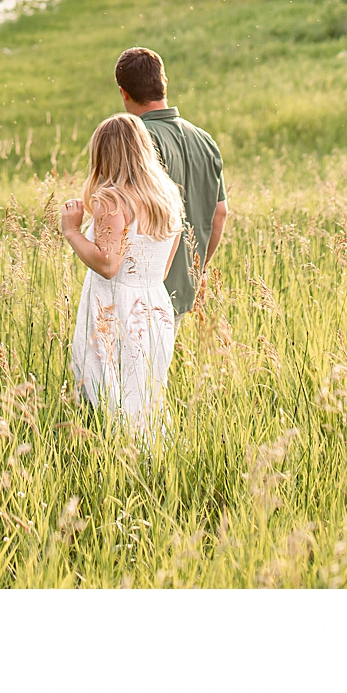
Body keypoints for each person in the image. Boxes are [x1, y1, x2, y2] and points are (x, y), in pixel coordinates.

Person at [58, 98, 182, 428]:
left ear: (104, 156)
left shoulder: (112, 201)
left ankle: (119, 467)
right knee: (145, 397)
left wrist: (71, 231)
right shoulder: (167, 196)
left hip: (117, 310)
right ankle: (153, 464)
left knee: (111, 397)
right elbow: (164, 268)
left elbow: (108, 265)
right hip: (154, 304)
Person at [115, 34, 227, 330]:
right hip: (184, 284)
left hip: (140, 286)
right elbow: (220, 214)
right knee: (157, 372)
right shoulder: (205, 140)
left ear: (124, 93)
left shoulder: (135, 139)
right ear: (163, 83)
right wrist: (198, 268)